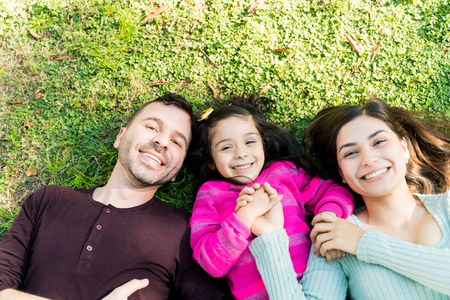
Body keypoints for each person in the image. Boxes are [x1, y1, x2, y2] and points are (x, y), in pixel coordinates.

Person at [0, 93, 228, 300]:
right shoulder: (48, 201)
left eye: (177, 142)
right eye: (151, 127)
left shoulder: (188, 232)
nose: (162, 142)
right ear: (121, 136)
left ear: (176, 171)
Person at [246, 97, 450, 299]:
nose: (369, 160)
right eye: (351, 153)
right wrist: (269, 236)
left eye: (379, 142)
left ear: (403, 148)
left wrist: (364, 243)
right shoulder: (335, 236)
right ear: (342, 173)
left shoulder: (446, 206)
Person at [187, 98, 354, 299]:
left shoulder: (284, 174)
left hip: (317, 283)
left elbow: (334, 192)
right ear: (211, 161)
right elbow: (211, 263)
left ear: (263, 145)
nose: (241, 153)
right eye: (226, 148)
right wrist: (243, 219)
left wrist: (328, 218)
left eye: (250, 142)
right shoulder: (211, 194)